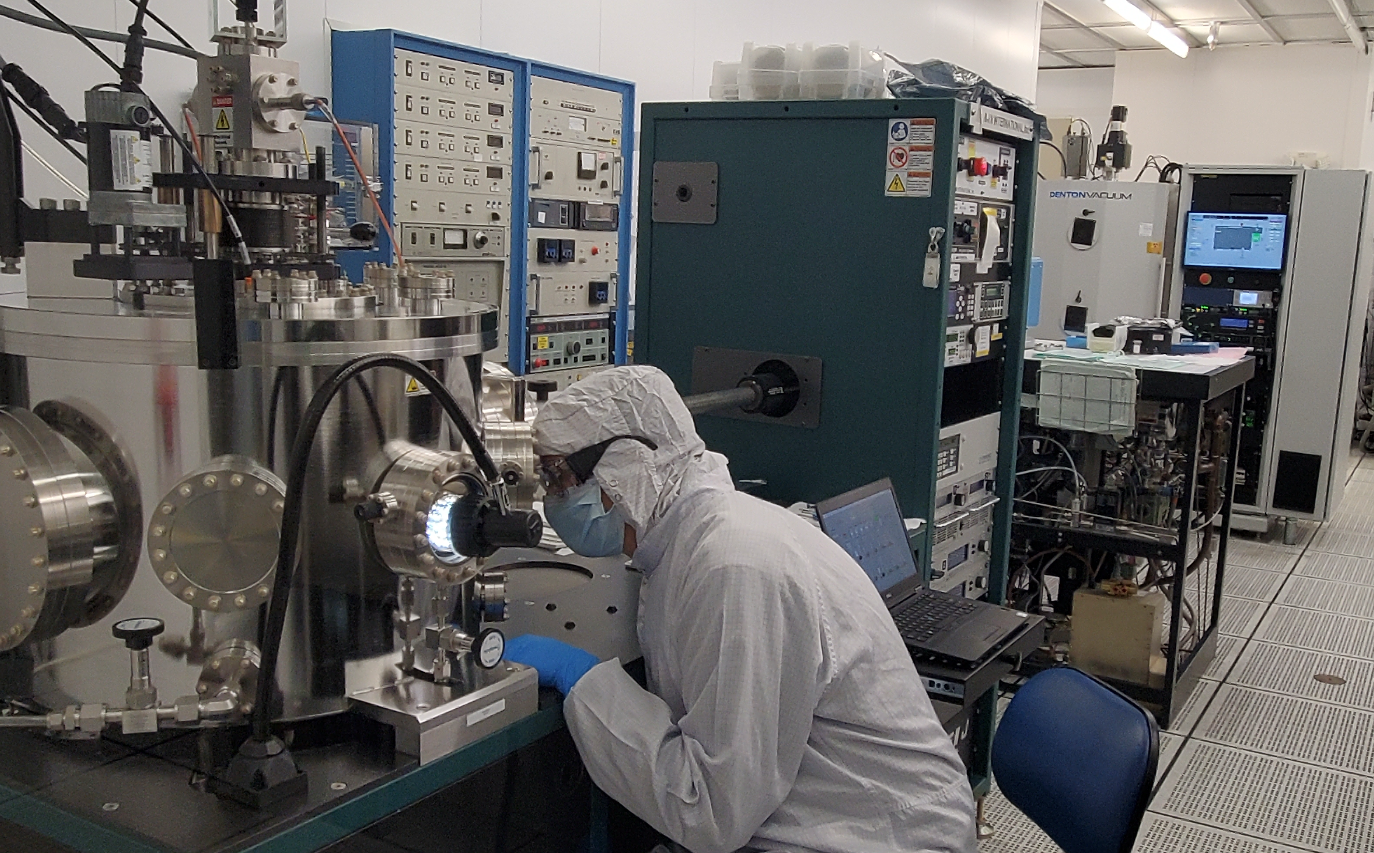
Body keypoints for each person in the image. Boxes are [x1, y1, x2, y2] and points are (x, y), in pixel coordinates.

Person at [504, 365, 977, 853]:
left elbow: (710, 812)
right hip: (821, 815)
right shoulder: (693, 538)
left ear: (623, 469)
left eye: (558, 478)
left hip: (879, 838)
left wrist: (586, 683)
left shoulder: (733, 565)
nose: (553, 500)